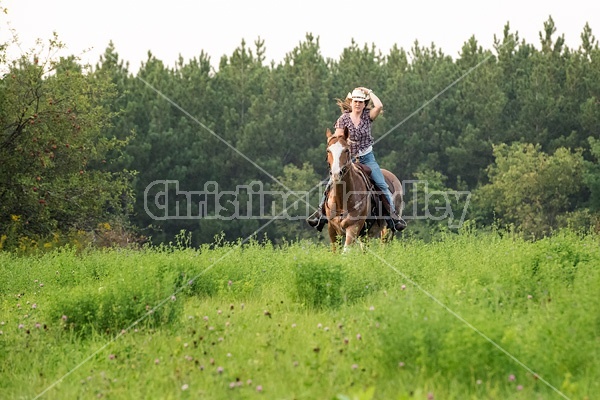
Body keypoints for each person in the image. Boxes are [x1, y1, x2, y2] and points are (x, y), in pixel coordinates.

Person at [306, 87, 406, 232]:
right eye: (355, 101)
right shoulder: (343, 119)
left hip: (367, 157)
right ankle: (320, 214)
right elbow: (338, 138)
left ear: (364, 103)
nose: (358, 104)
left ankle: (392, 217)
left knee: (381, 184)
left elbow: (379, 106)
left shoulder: (367, 116)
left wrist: (369, 92)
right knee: (331, 183)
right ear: (351, 102)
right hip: (349, 158)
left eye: (361, 101)